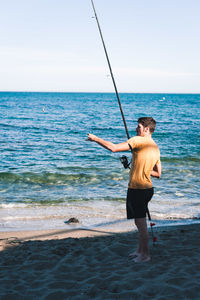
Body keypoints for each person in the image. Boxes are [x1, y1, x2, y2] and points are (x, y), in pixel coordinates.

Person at [87, 117, 161, 263]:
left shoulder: (137, 140)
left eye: (139, 127)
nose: (136, 129)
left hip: (137, 189)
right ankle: (140, 251)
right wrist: (140, 167)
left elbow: (113, 148)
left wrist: (96, 139)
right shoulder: (155, 147)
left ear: (146, 129)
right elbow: (158, 174)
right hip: (147, 189)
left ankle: (145, 255)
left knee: (141, 225)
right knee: (140, 223)